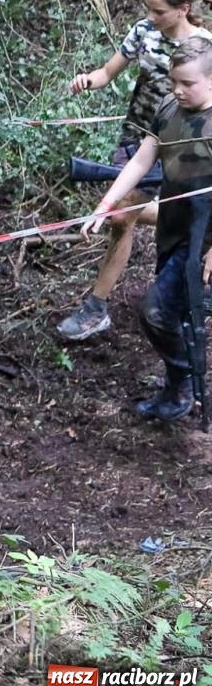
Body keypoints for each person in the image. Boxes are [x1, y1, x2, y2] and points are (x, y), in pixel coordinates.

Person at [58, 0, 212, 341]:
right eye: (149, 9)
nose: (152, 16)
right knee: (122, 217)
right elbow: (108, 72)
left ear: (183, 9)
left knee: (148, 210)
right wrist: (87, 81)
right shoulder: (144, 31)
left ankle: (194, 283)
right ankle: (96, 309)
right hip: (140, 137)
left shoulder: (204, 47)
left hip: (187, 144)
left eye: (159, 11)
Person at [82, 36, 212, 420]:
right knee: (177, 314)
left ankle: (182, 383)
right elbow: (141, 162)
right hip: (174, 230)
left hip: (205, 241)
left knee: (156, 312)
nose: (177, 89)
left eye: (188, 83)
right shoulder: (170, 107)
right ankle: (184, 383)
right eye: (175, 80)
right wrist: (106, 205)